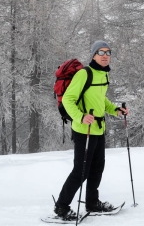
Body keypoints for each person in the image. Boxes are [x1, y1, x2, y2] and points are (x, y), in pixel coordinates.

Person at [53, 40, 129, 221]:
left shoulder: (103, 75)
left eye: (108, 52)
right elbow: (68, 100)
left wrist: (116, 110)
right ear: (94, 55)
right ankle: (61, 207)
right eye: (101, 52)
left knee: (97, 168)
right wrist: (80, 117)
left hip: (98, 129)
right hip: (83, 130)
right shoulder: (84, 74)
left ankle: (92, 203)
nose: (105, 56)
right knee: (81, 171)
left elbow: (101, 101)